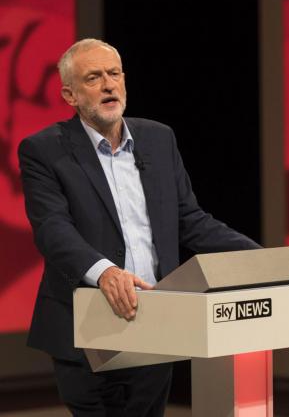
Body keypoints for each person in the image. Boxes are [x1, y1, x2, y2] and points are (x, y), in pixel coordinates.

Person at [18, 38, 260, 416]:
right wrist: (104, 272)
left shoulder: (158, 138)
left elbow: (189, 220)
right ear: (70, 95)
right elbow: (52, 228)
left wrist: (260, 258)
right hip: (85, 328)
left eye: (114, 74)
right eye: (93, 78)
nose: (108, 85)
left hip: (154, 323)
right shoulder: (44, 150)